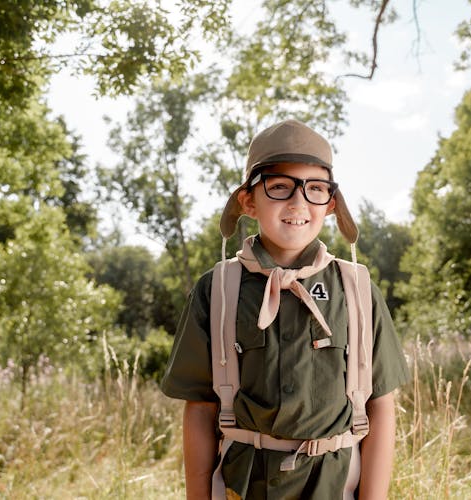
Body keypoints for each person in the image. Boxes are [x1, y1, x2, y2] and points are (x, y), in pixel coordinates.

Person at [160, 119, 410, 499]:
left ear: (330, 204)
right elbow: (200, 409)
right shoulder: (219, 290)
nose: (298, 203)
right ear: (248, 201)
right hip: (244, 486)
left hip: (334, 485)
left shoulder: (356, 290)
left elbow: (381, 406)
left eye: (315, 189)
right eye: (279, 187)